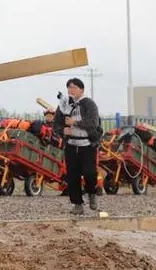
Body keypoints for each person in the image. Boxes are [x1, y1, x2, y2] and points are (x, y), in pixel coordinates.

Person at [53, 78, 101, 215]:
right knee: (72, 176)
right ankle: (77, 204)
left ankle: (92, 193)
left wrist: (75, 122)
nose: (70, 90)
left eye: (73, 87)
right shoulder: (63, 104)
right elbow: (56, 124)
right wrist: (62, 130)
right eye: (68, 87)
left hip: (87, 145)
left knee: (89, 173)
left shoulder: (89, 104)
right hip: (71, 145)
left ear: (81, 89)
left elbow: (93, 123)